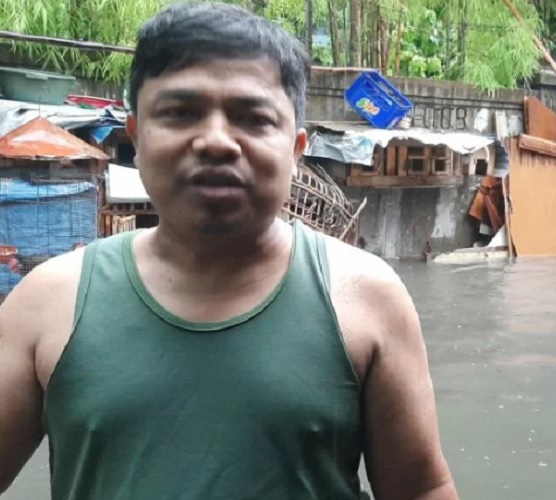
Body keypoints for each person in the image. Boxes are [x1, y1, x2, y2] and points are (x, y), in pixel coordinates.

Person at [0, 3, 457, 499]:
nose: (217, 142)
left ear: (296, 147)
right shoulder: (48, 302)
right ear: (135, 139)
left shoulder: (367, 296)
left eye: (253, 118)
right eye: (180, 113)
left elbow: (420, 488)